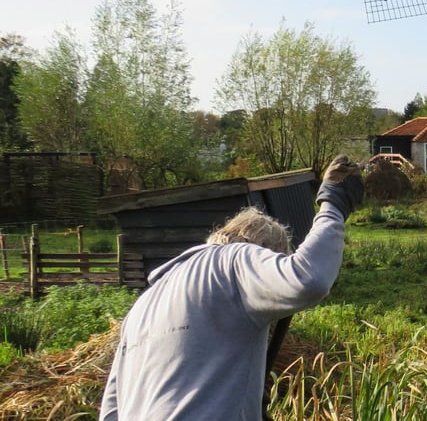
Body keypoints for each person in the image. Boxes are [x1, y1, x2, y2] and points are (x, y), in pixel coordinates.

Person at [99, 155, 364, 420]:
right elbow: (309, 279)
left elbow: (111, 412)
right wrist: (333, 204)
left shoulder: (142, 307)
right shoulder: (233, 260)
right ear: (262, 254)